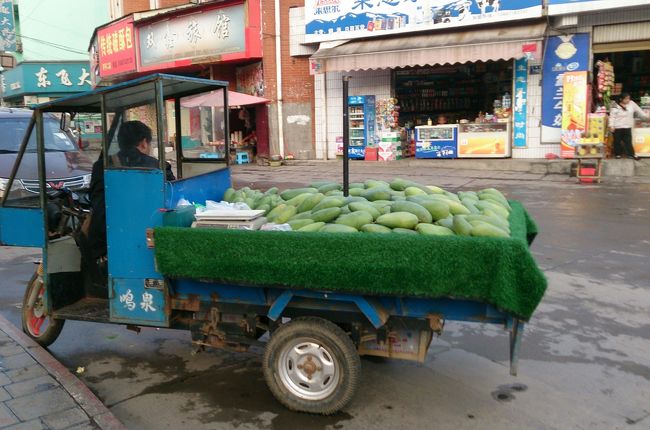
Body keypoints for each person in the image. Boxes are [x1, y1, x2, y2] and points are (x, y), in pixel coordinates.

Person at [86, 120, 175, 260]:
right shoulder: (160, 166)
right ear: (144, 142)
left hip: (105, 244)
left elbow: (95, 202)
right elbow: (171, 199)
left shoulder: (100, 166)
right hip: (149, 239)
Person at [609, 93, 648, 160]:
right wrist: (611, 125)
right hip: (617, 126)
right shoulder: (615, 105)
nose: (628, 100)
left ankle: (631, 154)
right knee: (617, 141)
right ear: (621, 99)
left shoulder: (632, 103)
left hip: (627, 126)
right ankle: (618, 154)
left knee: (628, 141)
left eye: (629, 98)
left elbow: (639, 111)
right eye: (626, 99)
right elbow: (612, 116)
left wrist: (647, 116)